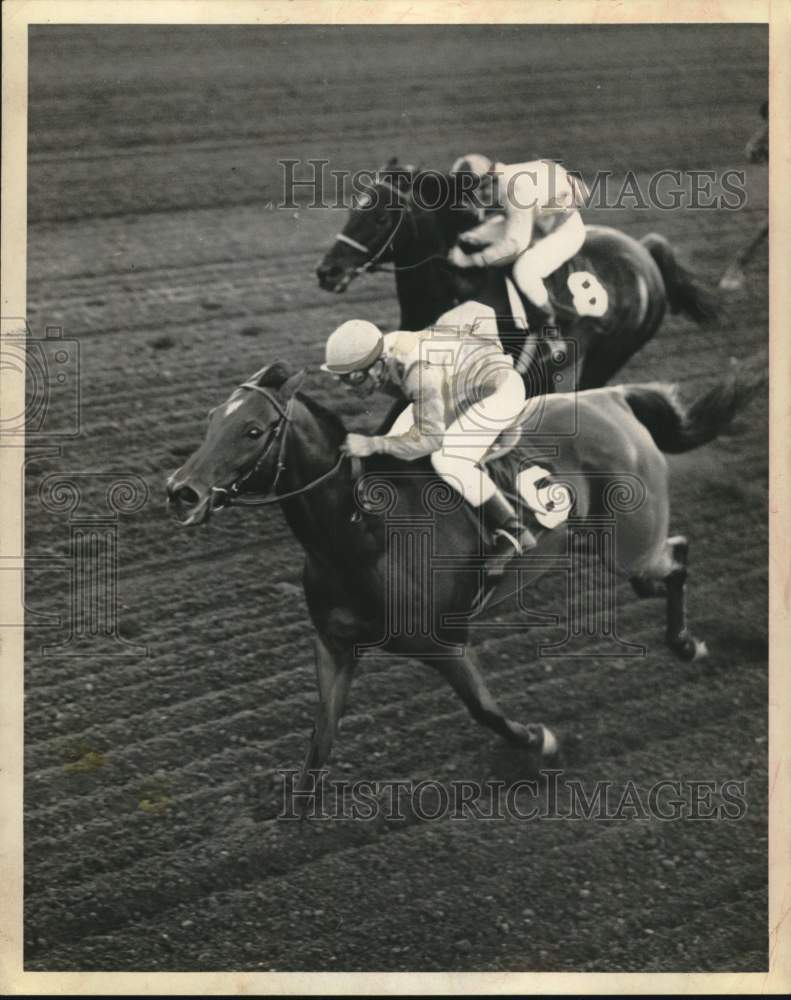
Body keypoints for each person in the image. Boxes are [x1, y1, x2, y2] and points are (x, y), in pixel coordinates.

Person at [321, 300, 537, 578]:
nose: (344, 387)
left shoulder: (416, 370)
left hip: (499, 390)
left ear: (374, 368)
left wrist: (372, 444)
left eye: (349, 378)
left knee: (447, 460)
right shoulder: (384, 352)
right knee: (395, 442)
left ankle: (515, 531)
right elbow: (476, 309)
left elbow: (431, 438)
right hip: (460, 389)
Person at [448, 154, 588, 335]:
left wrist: (471, 260)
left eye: (478, 190)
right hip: (538, 218)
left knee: (525, 272)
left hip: (565, 230)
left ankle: (551, 326)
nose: (474, 201)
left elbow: (514, 246)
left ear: (491, 180)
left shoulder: (516, 191)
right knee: (471, 237)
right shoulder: (501, 179)